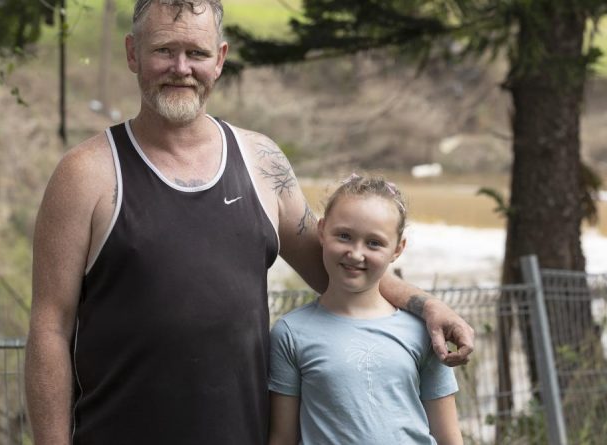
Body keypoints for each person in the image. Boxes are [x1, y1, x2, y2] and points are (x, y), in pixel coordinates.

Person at [24, 1, 474, 444]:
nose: (181, 67)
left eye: (197, 53)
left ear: (219, 59)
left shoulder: (261, 162)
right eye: (164, 50)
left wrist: (425, 305)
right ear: (132, 53)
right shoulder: (85, 174)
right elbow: (50, 327)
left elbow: (336, 268)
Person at [269, 175, 464, 445]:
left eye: (374, 243)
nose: (356, 253)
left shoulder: (423, 331)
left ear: (398, 249)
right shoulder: (290, 333)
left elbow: (449, 437)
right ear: (322, 231)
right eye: (345, 236)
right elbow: (282, 438)